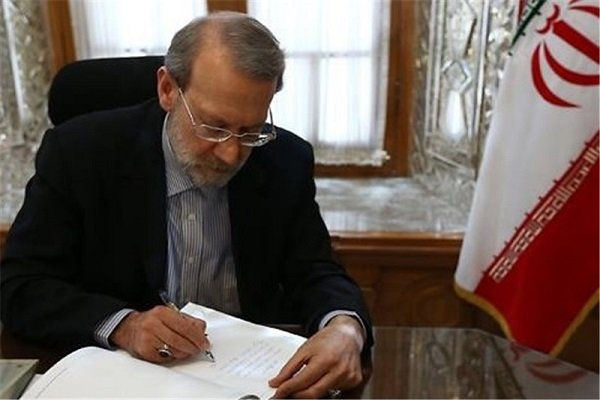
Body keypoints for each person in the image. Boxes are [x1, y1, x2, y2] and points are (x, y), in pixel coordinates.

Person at [0, 11, 373, 399]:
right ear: (167, 90)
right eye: (215, 127)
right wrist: (125, 325)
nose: (231, 154)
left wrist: (345, 328)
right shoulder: (80, 154)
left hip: (246, 381)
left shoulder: (285, 159)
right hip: (122, 379)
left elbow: (315, 270)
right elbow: (21, 286)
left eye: (250, 131)